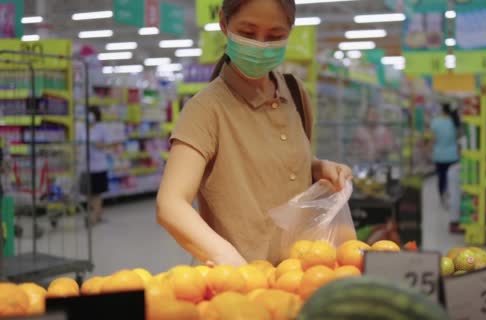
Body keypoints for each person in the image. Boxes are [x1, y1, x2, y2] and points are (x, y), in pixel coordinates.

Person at [156, 0, 353, 267]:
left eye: (275, 36)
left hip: (299, 273)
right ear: (224, 25)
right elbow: (170, 204)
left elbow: (275, 157)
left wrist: (317, 166)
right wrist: (224, 256)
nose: (260, 45)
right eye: (248, 33)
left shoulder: (295, 93)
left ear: (290, 32)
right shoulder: (205, 109)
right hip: (240, 285)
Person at [81, 106, 110, 225]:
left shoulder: (101, 128)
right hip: (85, 165)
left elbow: (107, 144)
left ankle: (95, 216)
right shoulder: (82, 128)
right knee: (88, 192)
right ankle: (96, 213)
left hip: (98, 165)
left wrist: (97, 144)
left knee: (97, 193)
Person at [430, 103, 460, 207]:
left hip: (439, 155)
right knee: (452, 178)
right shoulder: (455, 122)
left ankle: (442, 196)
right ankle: (451, 196)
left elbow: (433, 139)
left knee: (441, 177)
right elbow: (458, 139)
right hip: (453, 155)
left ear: (442, 110)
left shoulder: (435, 122)